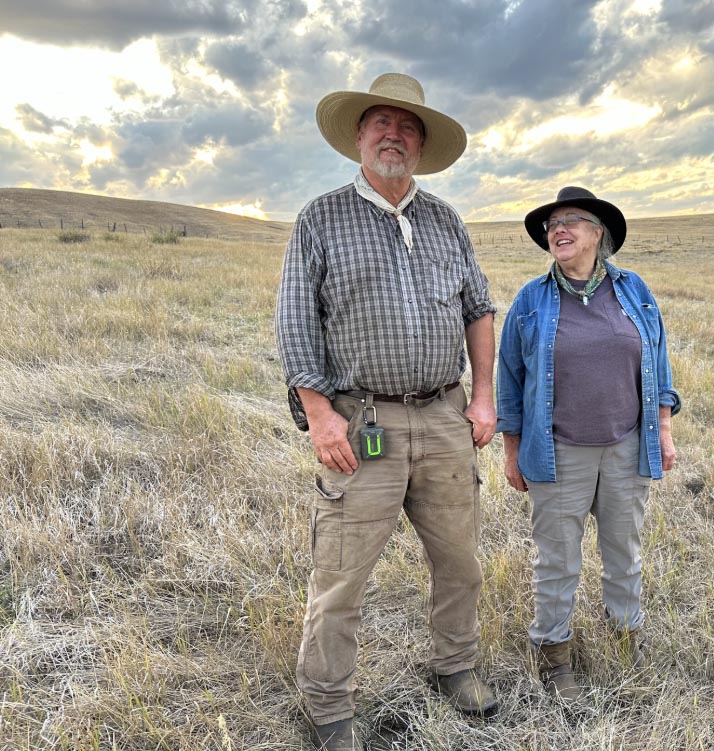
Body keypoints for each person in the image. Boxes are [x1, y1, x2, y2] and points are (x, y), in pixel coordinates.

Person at [275, 73, 497, 750]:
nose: (393, 134)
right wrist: (319, 412)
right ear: (359, 138)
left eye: (407, 126)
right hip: (359, 423)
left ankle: (454, 666)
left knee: (460, 560)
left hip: (443, 418)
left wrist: (483, 396)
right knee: (341, 574)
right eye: (381, 123)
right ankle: (328, 706)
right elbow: (295, 322)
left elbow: (479, 309)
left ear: (421, 144)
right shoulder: (322, 218)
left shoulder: (444, 221)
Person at [496, 186, 681, 701]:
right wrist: (512, 453)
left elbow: (660, 363)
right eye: (553, 223)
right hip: (557, 453)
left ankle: (626, 641)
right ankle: (553, 655)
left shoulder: (635, 290)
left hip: (627, 447)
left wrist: (664, 429)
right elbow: (509, 381)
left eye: (572, 220)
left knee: (625, 551)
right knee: (557, 559)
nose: (559, 228)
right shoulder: (531, 301)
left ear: (598, 234)